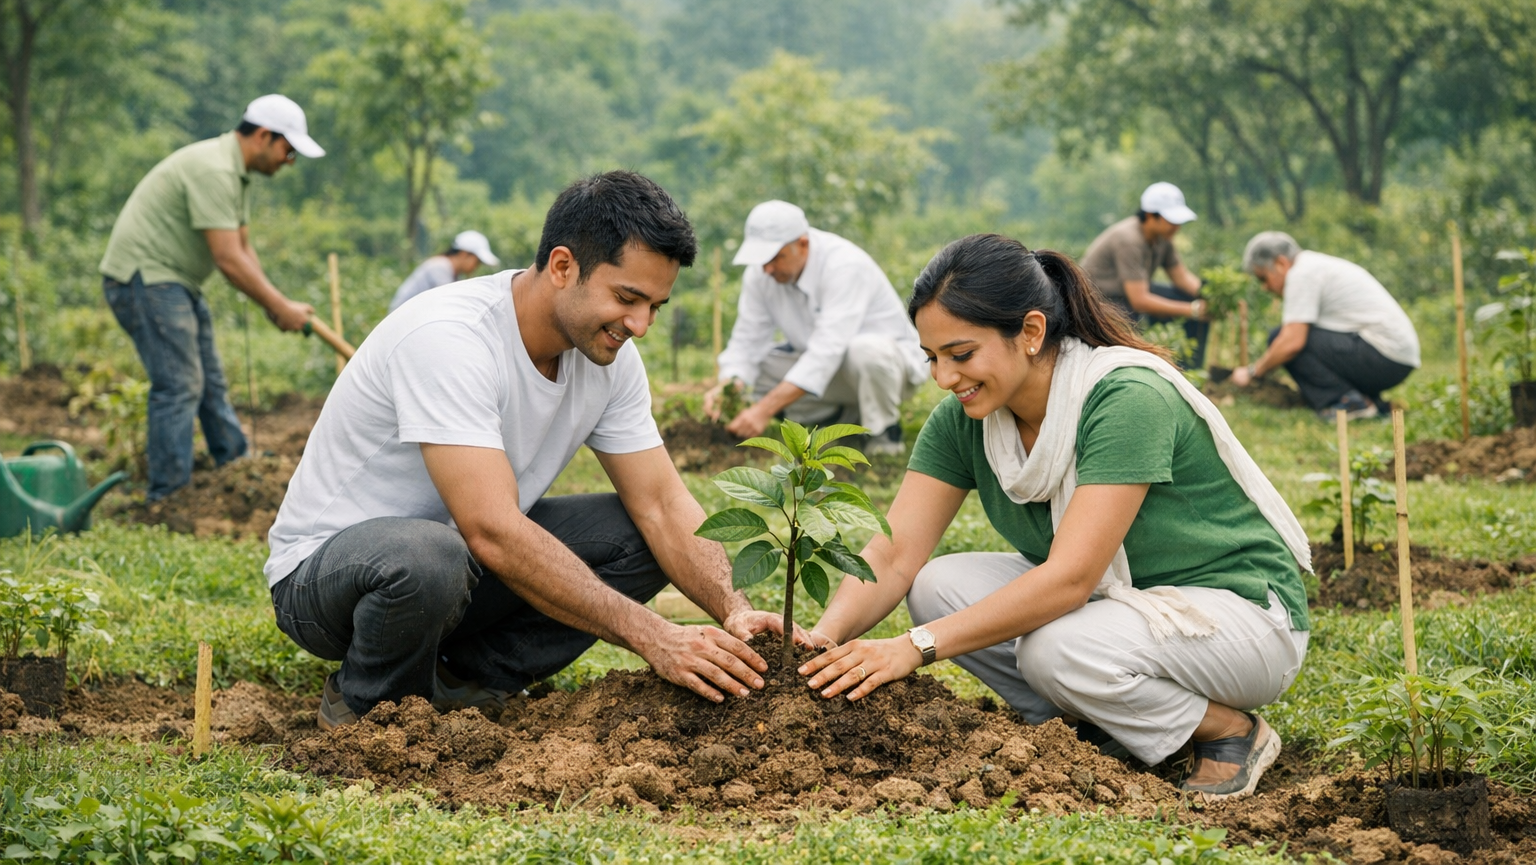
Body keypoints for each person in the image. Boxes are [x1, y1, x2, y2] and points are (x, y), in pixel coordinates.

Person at [265, 171, 799, 729]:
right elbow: (491, 528)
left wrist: (735, 609)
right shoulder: (449, 338)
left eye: (656, 307)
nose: (640, 325)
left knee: (637, 533)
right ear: (563, 266)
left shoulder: (608, 360)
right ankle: (374, 708)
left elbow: (662, 504)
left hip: (459, 571)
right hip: (329, 579)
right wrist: (654, 635)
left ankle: (464, 680)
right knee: (429, 556)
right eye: (627, 298)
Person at [795, 234, 1312, 800]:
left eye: (961, 354)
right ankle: (1098, 723)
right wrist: (822, 640)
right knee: (938, 586)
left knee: (1055, 650)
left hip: (1236, 616)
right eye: (933, 358)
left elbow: (1071, 578)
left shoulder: (1124, 397)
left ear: (1032, 333)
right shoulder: (965, 420)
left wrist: (912, 647)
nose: (944, 378)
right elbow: (894, 553)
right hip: (1123, 610)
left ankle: (1229, 732)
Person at [99, 94, 323, 503]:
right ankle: (168, 497)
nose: (288, 162)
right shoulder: (214, 171)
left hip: (175, 283)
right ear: (262, 135)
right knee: (180, 384)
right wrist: (278, 306)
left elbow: (243, 247)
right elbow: (228, 259)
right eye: (288, 150)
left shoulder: (235, 174)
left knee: (211, 383)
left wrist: (277, 303)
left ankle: (234, 468)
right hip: (145, 278)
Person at [707, 200, 927, 456]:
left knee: (866, 351)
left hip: (885, 373)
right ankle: (841, 416)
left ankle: (883, 436)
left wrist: (763, 410)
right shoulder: (761, 275)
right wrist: (729, 387)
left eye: (775, 258)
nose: (767, 268)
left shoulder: (844, 265)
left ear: (802, 244)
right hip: (833, 375)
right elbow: (746, 342)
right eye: (761, 260)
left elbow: (827, 351)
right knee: (759, 368)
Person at [1232, 232, 1419, 420]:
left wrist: (1253, 373)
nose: (1264, 288)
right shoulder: (1313, 265)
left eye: (1263, 278)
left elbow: (1292, 342)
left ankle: (1348, 402)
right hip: (1396, 359)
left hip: (1385, 357)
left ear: (1281, 264)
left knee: (1281, 339)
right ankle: (1371, 403)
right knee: (1290, 338)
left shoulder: (1301, 274)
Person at [1081, 182, 1209, 367]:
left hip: (1128, 295)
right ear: (1150, 216)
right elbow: (1139, 300)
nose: (1177, 226)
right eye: (1171, 220)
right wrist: (1193, 310)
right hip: (1102, 301)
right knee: (1132, 334)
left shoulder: (1163, 239)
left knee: (1185, 297)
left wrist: (1209, 296)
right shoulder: (1129, 240)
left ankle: (1192, 369)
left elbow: (1181, 276)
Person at [388, 230, 501, 313]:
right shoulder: (440, 267)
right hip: (401, 321)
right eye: (477, 262)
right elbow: (452, 306)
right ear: (464, 254)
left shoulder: (451, 273)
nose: (476, 267)